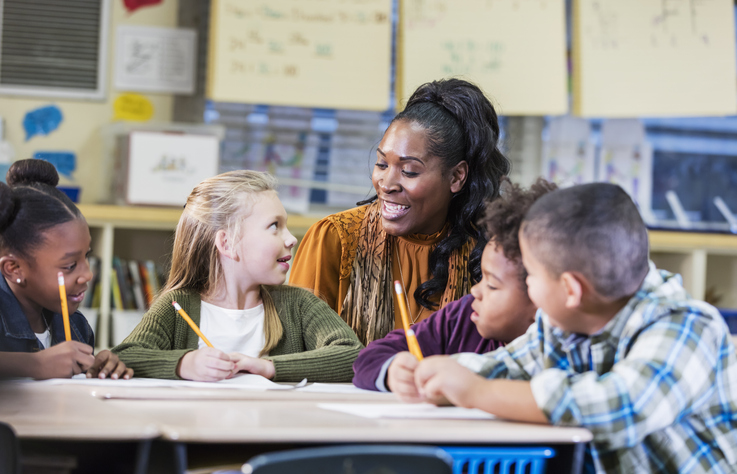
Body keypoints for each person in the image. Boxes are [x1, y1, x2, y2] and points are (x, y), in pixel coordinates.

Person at [413, 183, 737, 473]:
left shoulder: (688, 328)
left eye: (532, 277)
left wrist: (475, 392)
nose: (530, 288)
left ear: (571, 290)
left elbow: (619, 407)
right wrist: (435, 374)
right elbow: (506, 367)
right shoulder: (560, 324)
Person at [290, 78, 510, 345]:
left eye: (409, 171)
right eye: (382, 164)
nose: (387, 184)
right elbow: (298, 355)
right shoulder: (334, 239)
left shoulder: (485, 253)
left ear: (456, 177)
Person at [112, 170, 363, 383]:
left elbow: (352, 355)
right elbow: (125, 356)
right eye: (274, 226)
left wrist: (270, 367)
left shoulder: (299, 305)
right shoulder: (177, 306)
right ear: (228, 243)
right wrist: (183, 364)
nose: (291, 239)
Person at [352, 179, 557, 399]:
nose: (476, 291)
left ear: (540, 298)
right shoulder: (464, 316)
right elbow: (369, 357)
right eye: (481, 278)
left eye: (492, 285)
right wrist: (393, 369)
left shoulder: (563, 351)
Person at [0, 159, 132, 380]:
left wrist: (97, 367)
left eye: (87, 256)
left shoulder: (77, 325)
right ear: (14, 269)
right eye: (70, 265)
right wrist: (33, 364)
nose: (88, 274)